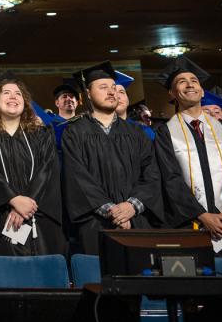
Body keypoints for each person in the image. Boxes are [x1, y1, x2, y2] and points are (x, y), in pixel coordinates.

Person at [153, 58, 222, 255]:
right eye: (181, 81)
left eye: (194, 80)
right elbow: (170, 179)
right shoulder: (165, 133)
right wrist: (202, 215)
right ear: (172, 93)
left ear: (202, 91)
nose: (189, 84)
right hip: (191, 223)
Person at [61, 61, 162, 255]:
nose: (111, 92)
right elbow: (77, 178)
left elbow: (152, 174)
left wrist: (132, 206)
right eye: (103, 87)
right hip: (95, 223)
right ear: (88, 94)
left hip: (137, 220)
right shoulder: (75, 132)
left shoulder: (137, 132)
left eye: (114, 88)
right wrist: (112, 211)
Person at [0, 72, 64, 256]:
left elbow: (47, 172)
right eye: (6, 93)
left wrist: (26, 205)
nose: (13, 96)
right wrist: (13, 199)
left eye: (18, 93)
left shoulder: (42, 135)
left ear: (25, 102)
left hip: (37, 217)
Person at [114, 71, 155, 141]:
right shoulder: (97, 131)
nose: (118, 96)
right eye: (113, 93)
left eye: (121, 92)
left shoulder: (144, 130)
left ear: (128, 101)